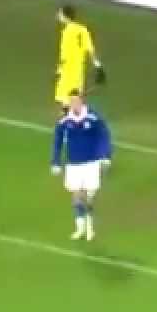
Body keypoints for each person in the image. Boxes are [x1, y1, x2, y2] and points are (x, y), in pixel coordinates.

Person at [51, 92, 112, 241]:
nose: (74, 104)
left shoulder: (93, 117)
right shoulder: (65, 120)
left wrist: (105, 155)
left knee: (89, 197)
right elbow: (57, 142)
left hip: (91, 163)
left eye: (77, 101)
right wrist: (55, 162)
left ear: (82, 101)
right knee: (77, 196)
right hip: (73, 164)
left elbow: (104, 135)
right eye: (72, 101)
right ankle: (80, 227)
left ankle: (90, 227)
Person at [55, 5, 105, 115]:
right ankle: (70, 117)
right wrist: (98, 66)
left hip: (69, 70)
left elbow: (64, 55)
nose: (58, 16)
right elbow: (90, 49)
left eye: (60, 14)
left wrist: (59, 70)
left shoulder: (67, 32)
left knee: (67, 100)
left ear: (65, 16)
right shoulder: (82, 30)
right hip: (76, 69)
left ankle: (73, 118)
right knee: (69, 100)